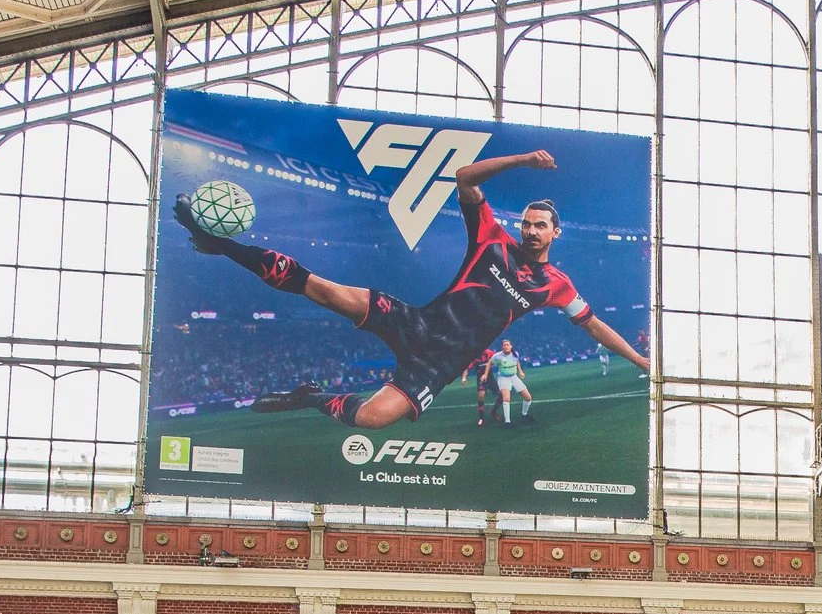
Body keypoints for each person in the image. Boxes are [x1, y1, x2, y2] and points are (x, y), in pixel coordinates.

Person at [190, 146, 648, 430]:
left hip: (439, 364)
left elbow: (595, 327)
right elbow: (464, 177)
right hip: (417, 322)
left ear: (555, 233)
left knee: (372, 418)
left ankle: (308, 396)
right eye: (527, 223)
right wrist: (523, 160)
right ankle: (224, 246)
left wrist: (641, 360)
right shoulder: (491, 237)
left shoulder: (556, 285)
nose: (531, 230)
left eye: (540, 226)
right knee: (322, 289)